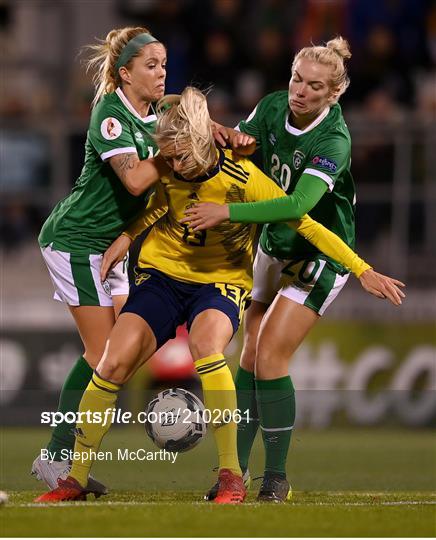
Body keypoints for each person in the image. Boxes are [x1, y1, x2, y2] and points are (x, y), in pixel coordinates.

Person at [34, 86, 394, 505]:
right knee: (113, 358)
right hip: (163, 276)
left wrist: (362, 269)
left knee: (207, 345)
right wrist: (127, 236)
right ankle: (74, 478)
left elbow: (307, 224)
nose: (175, 166)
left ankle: (230, 476)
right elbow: (157, 203)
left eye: (182, 157)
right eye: (169, 158)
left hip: (220, 281)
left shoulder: (244, 178)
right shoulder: (171, 163)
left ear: (203, 144)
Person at [181, 37, 406, 502]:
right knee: (247, 356)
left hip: (320, 252)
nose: (300, 92)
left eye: (314, 86)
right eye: (297, 79)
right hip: (274, 243)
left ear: (334, 94)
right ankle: (234, 474)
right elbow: (246, 162)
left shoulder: (334, 139)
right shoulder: (271, 108)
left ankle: (277, 477)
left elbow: (300, 205)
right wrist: (236, 142)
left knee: (270, 357)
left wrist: (226, 215)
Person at [32, 27, 168, 496]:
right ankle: (55, 458)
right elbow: (134, 182)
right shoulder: (111, 112)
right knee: (105, 354)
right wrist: (177, 148)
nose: (161, 72)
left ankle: (61, 455)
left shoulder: (160, 116)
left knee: (123, 355)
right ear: (125, 73)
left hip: (111, 248)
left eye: (164, 64)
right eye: (150, 65)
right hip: (75, 241)